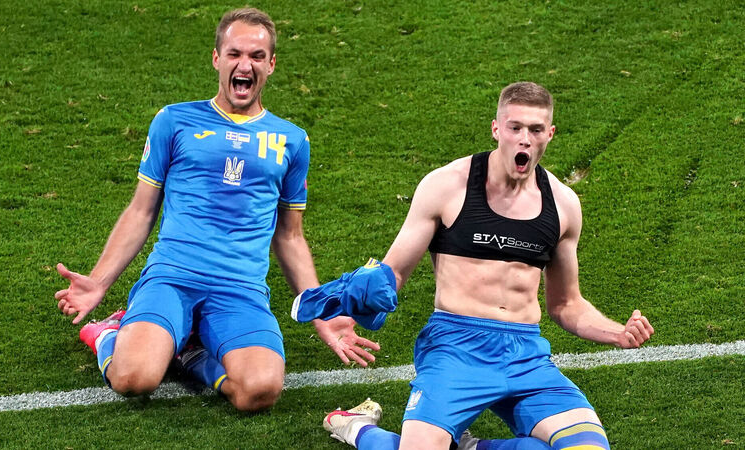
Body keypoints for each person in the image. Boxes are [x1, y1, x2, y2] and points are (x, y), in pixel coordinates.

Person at [294, 82, 654, 448]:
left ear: (550, 134)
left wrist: (617, 333)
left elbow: (566, 304)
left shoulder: (563, 205)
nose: (524, 139)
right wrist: (355, 304)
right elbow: (395, 271)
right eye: (515, 127)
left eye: (535, 129)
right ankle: (357, 427)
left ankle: (467, 445)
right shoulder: (447, 186)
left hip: (525, 356)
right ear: (496, 129)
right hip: (455, 346)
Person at [54, 7, 379, 412]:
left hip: (240, 289)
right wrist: (99, 282)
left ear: (271, 65)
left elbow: (290, 235)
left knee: (260, 390)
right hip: (172, 278)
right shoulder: (174, 121)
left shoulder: (292, 140)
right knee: (133, 378)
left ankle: (190, 354)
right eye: (234, 54)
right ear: (216, 59)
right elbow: (141, 211)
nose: (245, 65)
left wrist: (321, 310)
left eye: (257, 56)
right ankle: (107, 334)